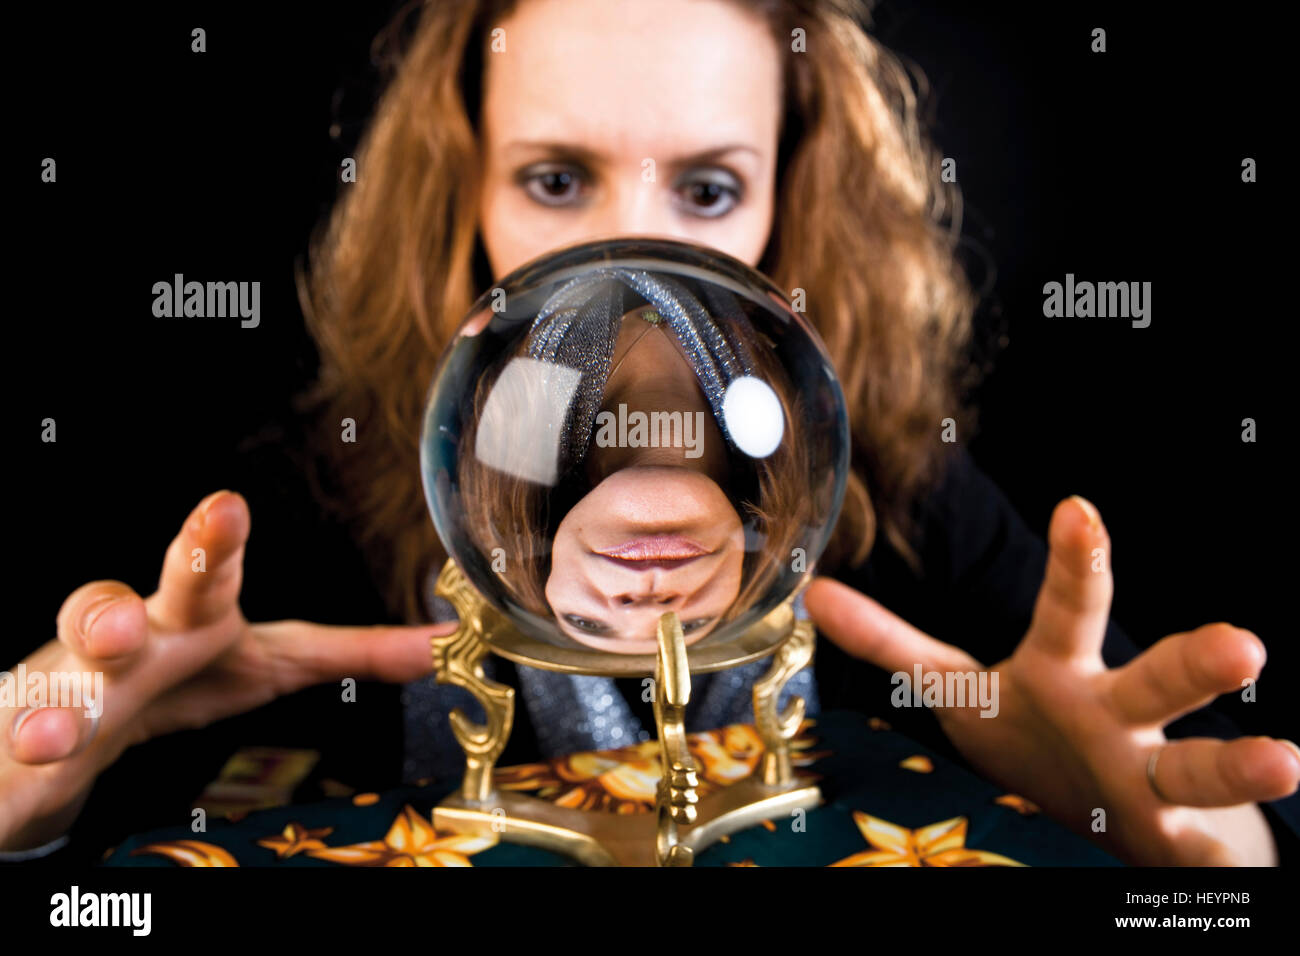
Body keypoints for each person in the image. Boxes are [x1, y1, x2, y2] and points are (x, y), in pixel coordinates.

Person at [3, 0, 1297, 867]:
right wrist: (44, 795)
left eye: (708, 187)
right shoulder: (305, 507)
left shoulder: (903, 496)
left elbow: (1202, 832)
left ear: (795, 200)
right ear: (460, 195)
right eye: (557, 179)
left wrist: (1157, 839)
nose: (634, 260)